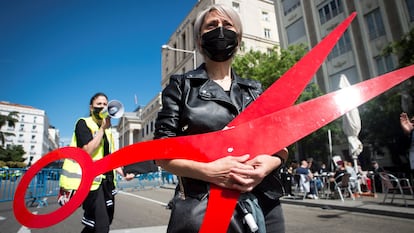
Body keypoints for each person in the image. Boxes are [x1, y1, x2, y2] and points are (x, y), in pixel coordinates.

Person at [154, 4, 288, 233]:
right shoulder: (181, 86)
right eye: (212, 26)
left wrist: (268, 165)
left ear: (239, 37)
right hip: (203, 206)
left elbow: (282, 146)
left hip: (263, 204)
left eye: (227, 25)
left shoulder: (255, 90)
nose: (220, 30)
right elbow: (161, 152)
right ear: (199, 40)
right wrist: (210, 172)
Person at [59, 92, 134, 233]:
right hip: (91, 182)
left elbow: (110, 157)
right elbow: (87, 151)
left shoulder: (109, 131)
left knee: (100, 223)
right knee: (101, 226)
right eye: (99, 104)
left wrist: (124, 173)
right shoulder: (83, 123)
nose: (103, 107)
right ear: (91, 108)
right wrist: (101, 130)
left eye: (105, 104)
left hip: (107, 182)